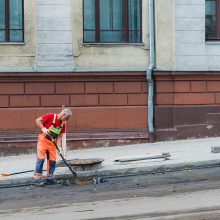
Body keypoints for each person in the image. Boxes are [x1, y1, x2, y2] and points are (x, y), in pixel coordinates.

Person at [33, 108, 72, 186]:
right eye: (66, 118)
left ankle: (50, 178)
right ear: (63, 114)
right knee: (41, 159)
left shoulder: (62, 124)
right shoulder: (51, 116)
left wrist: (59, 148)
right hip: (43, 140)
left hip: (52, 143)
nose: (66, 120)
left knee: (52, 160)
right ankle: (37, 178)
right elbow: (37, 120)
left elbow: (59, 137)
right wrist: (43, 128)